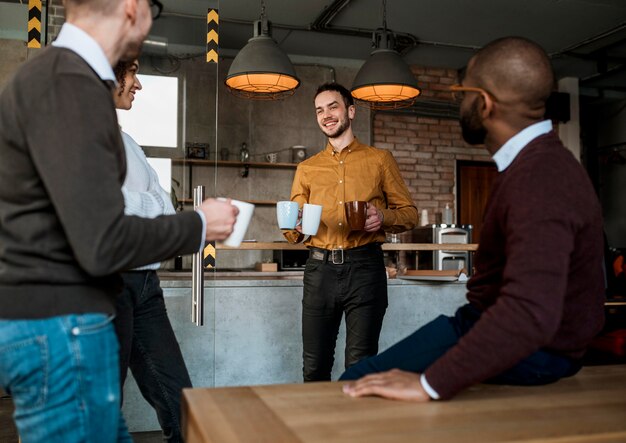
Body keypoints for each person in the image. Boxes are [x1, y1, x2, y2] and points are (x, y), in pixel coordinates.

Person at [0, 1, 237, 441]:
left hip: (63, 323)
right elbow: (103, 240)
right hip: (62, 328)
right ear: (133, 9)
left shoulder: (55, 79)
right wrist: (200, 224)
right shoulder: (69, 83)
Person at [341, 36, 605, 401]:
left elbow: (529, 312)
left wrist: (427, 384)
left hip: (539, 352)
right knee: (359, 377)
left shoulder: (541, 177)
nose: (458, 102)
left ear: (484, 103)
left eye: (462, 93)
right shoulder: (535, 164)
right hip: (487, 327)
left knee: (352, 385)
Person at [285, 83, 418, 382]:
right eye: (319, 110)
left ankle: (353, 429)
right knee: (315, 365)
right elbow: (294, 229)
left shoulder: (380, 160)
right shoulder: (307, 169)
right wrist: (295, 227)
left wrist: (383, 217)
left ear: (351, 111)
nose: (326, 115)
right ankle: (317, 430)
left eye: (333, 106)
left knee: (360, 366)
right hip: (320, 270)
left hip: (365, 267)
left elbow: (410, 214)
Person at [112, 59, 189, 442]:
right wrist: (144, 208)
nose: (138, 84)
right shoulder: (73, 134)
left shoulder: (128, 143)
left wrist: (137, 205)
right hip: (106, 282)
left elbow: (165, 208)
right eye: (132, 74)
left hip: (145, 285)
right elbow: (100, 205)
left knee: (180, 400)